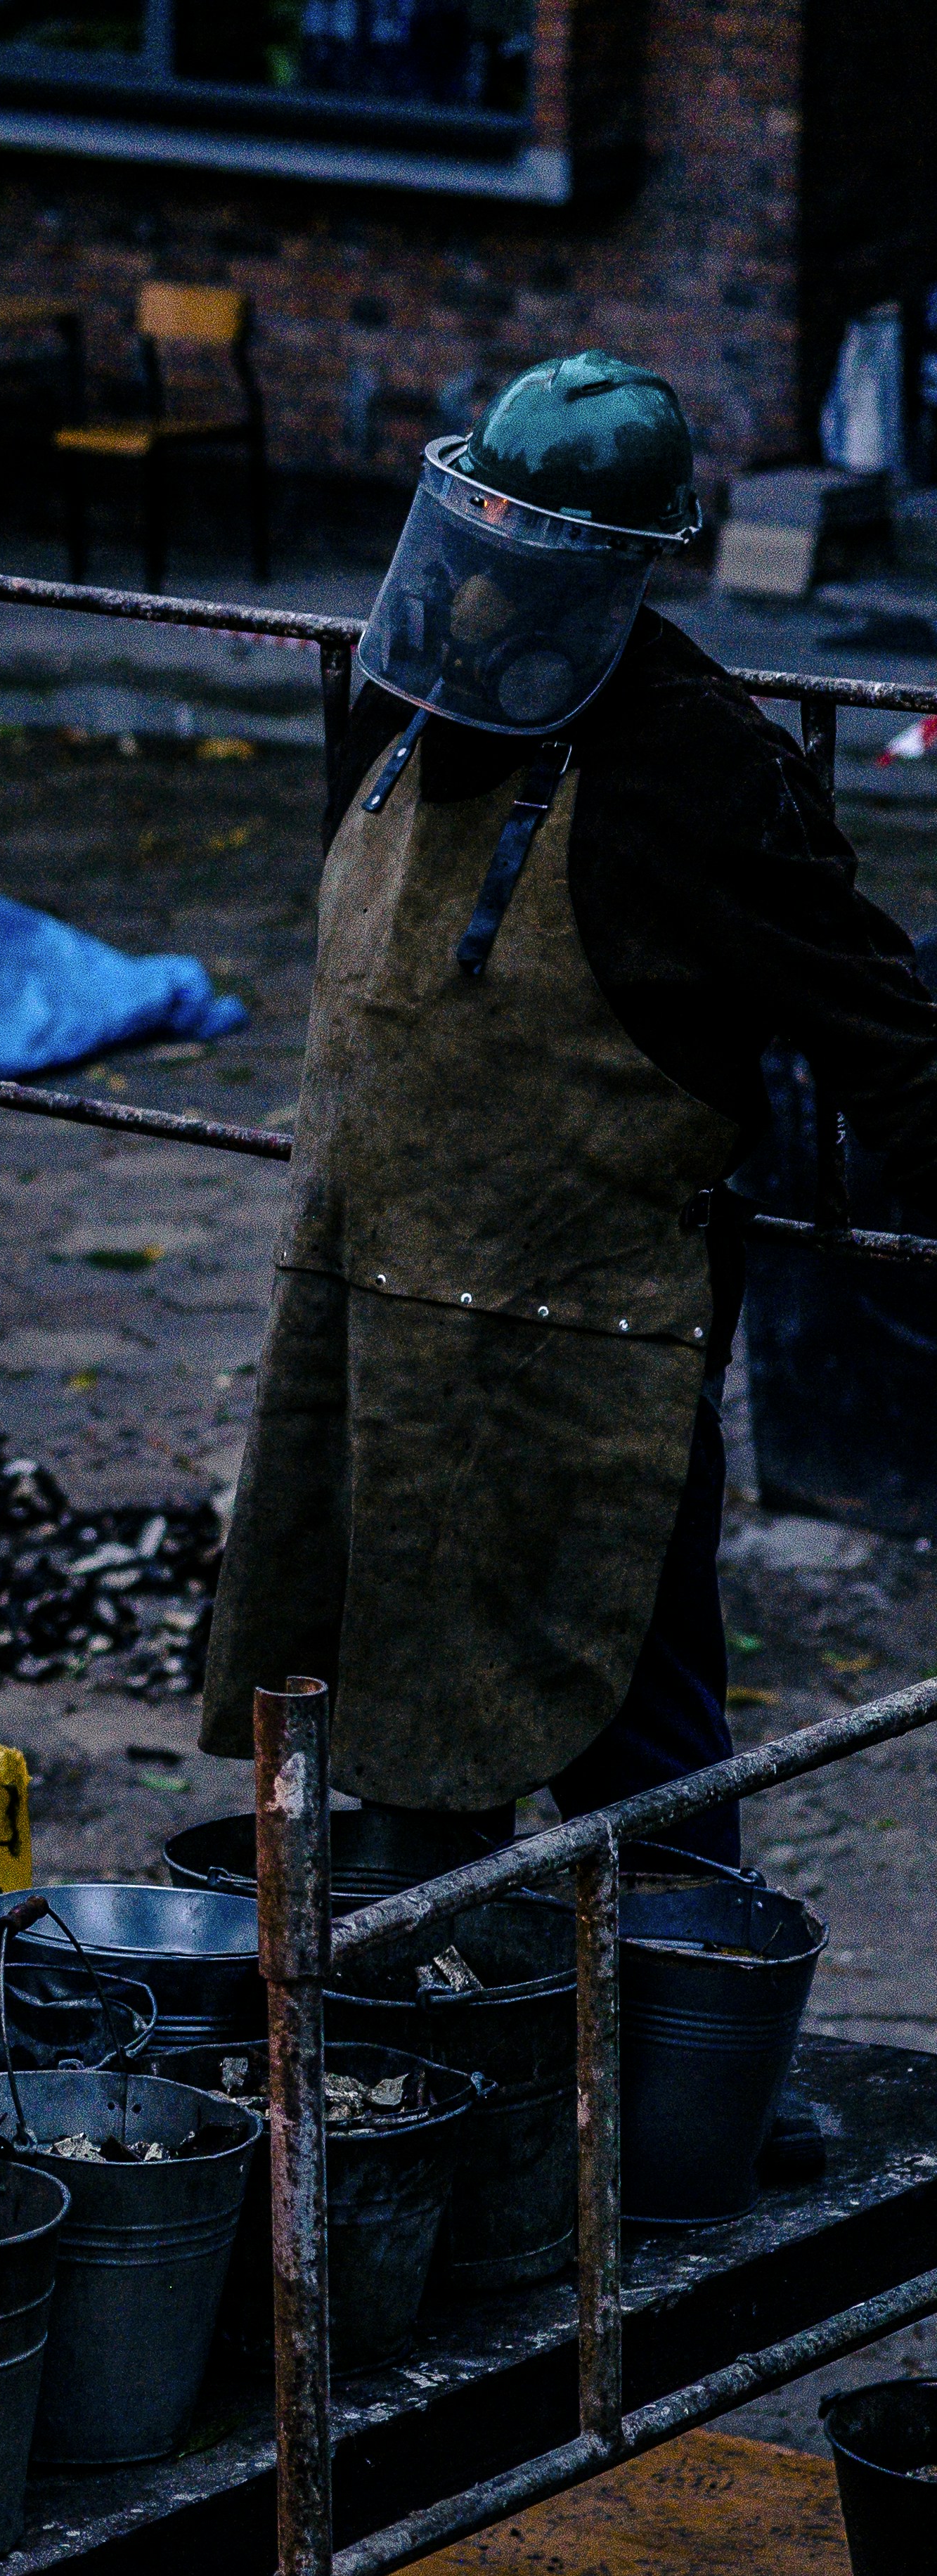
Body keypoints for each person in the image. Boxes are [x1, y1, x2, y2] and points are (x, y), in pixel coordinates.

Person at [202, 352, 937, 1869]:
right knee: (395, 1701)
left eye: (535, 554)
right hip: (369, 1309)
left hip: (589, 1346)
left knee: (631, 1718)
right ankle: (450, 2055)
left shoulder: (697, 761)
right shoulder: (399, 688)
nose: (489, 589)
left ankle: (688, 2069)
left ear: (622, 563)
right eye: (479, 541)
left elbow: (885, 1036)